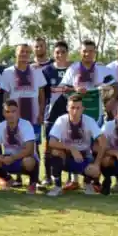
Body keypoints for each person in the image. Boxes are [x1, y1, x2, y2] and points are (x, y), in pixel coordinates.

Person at [46, 94, 107, 197]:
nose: (75, 111)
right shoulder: (61, 120)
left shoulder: (89, 120)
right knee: (54, 152)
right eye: (72, 108)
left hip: (83, 156)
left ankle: (88, 183)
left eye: (78, 108)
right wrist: (71, 148)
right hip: (66, 156)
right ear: (67, 108)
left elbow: (103, 142)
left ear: (83, 109)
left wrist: (97, 163)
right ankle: (57, 186)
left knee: (95, 171)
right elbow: (51, 142)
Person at [0, 100, 40, 194]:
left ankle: (32, 183)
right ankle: (9, 180)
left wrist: (13, 158)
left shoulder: (26, 125)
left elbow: (30, 150)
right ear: (3, 113)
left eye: (13, 111)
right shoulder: (0, 126)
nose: (10, 114)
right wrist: (0, 157)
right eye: (7, 112)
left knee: (29, 161)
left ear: (18, 112)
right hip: (8, 158)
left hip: (23, 159)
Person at [0, 43, 48, 140]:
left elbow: (41, 94)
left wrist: (41, 113)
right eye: (22, 51)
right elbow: (6, 95)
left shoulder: (36, 71)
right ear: (16, 53)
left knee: (34, 144)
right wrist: (6, 112)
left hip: (34, 116)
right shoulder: (7, 72)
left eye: (27, 52)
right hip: (14, 117)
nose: (24, 54)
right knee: (15, 143)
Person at [59, 39, 114, 126]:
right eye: (84, 51)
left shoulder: (101, 68)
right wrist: (75, 89)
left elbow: (115, 85)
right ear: (80, 52)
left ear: (95, 52)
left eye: (91, 51)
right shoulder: (73, 69)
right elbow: (62, 89)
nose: (87, 54)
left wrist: (111, 100)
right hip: (76, 114)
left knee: (96, 139)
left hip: (97, 114)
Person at [40, 41, 72, 189]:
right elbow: (42, 95)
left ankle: (71, 178)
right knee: (48, 147)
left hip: (70, 115)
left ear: (67, 53)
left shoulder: (73, 69)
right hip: (51, 115)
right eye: (57, 52)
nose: (60, 55)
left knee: (70, 144)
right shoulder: (46, 71)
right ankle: (47, 177)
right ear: (53, 54)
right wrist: (41, 113)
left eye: (63, 52)